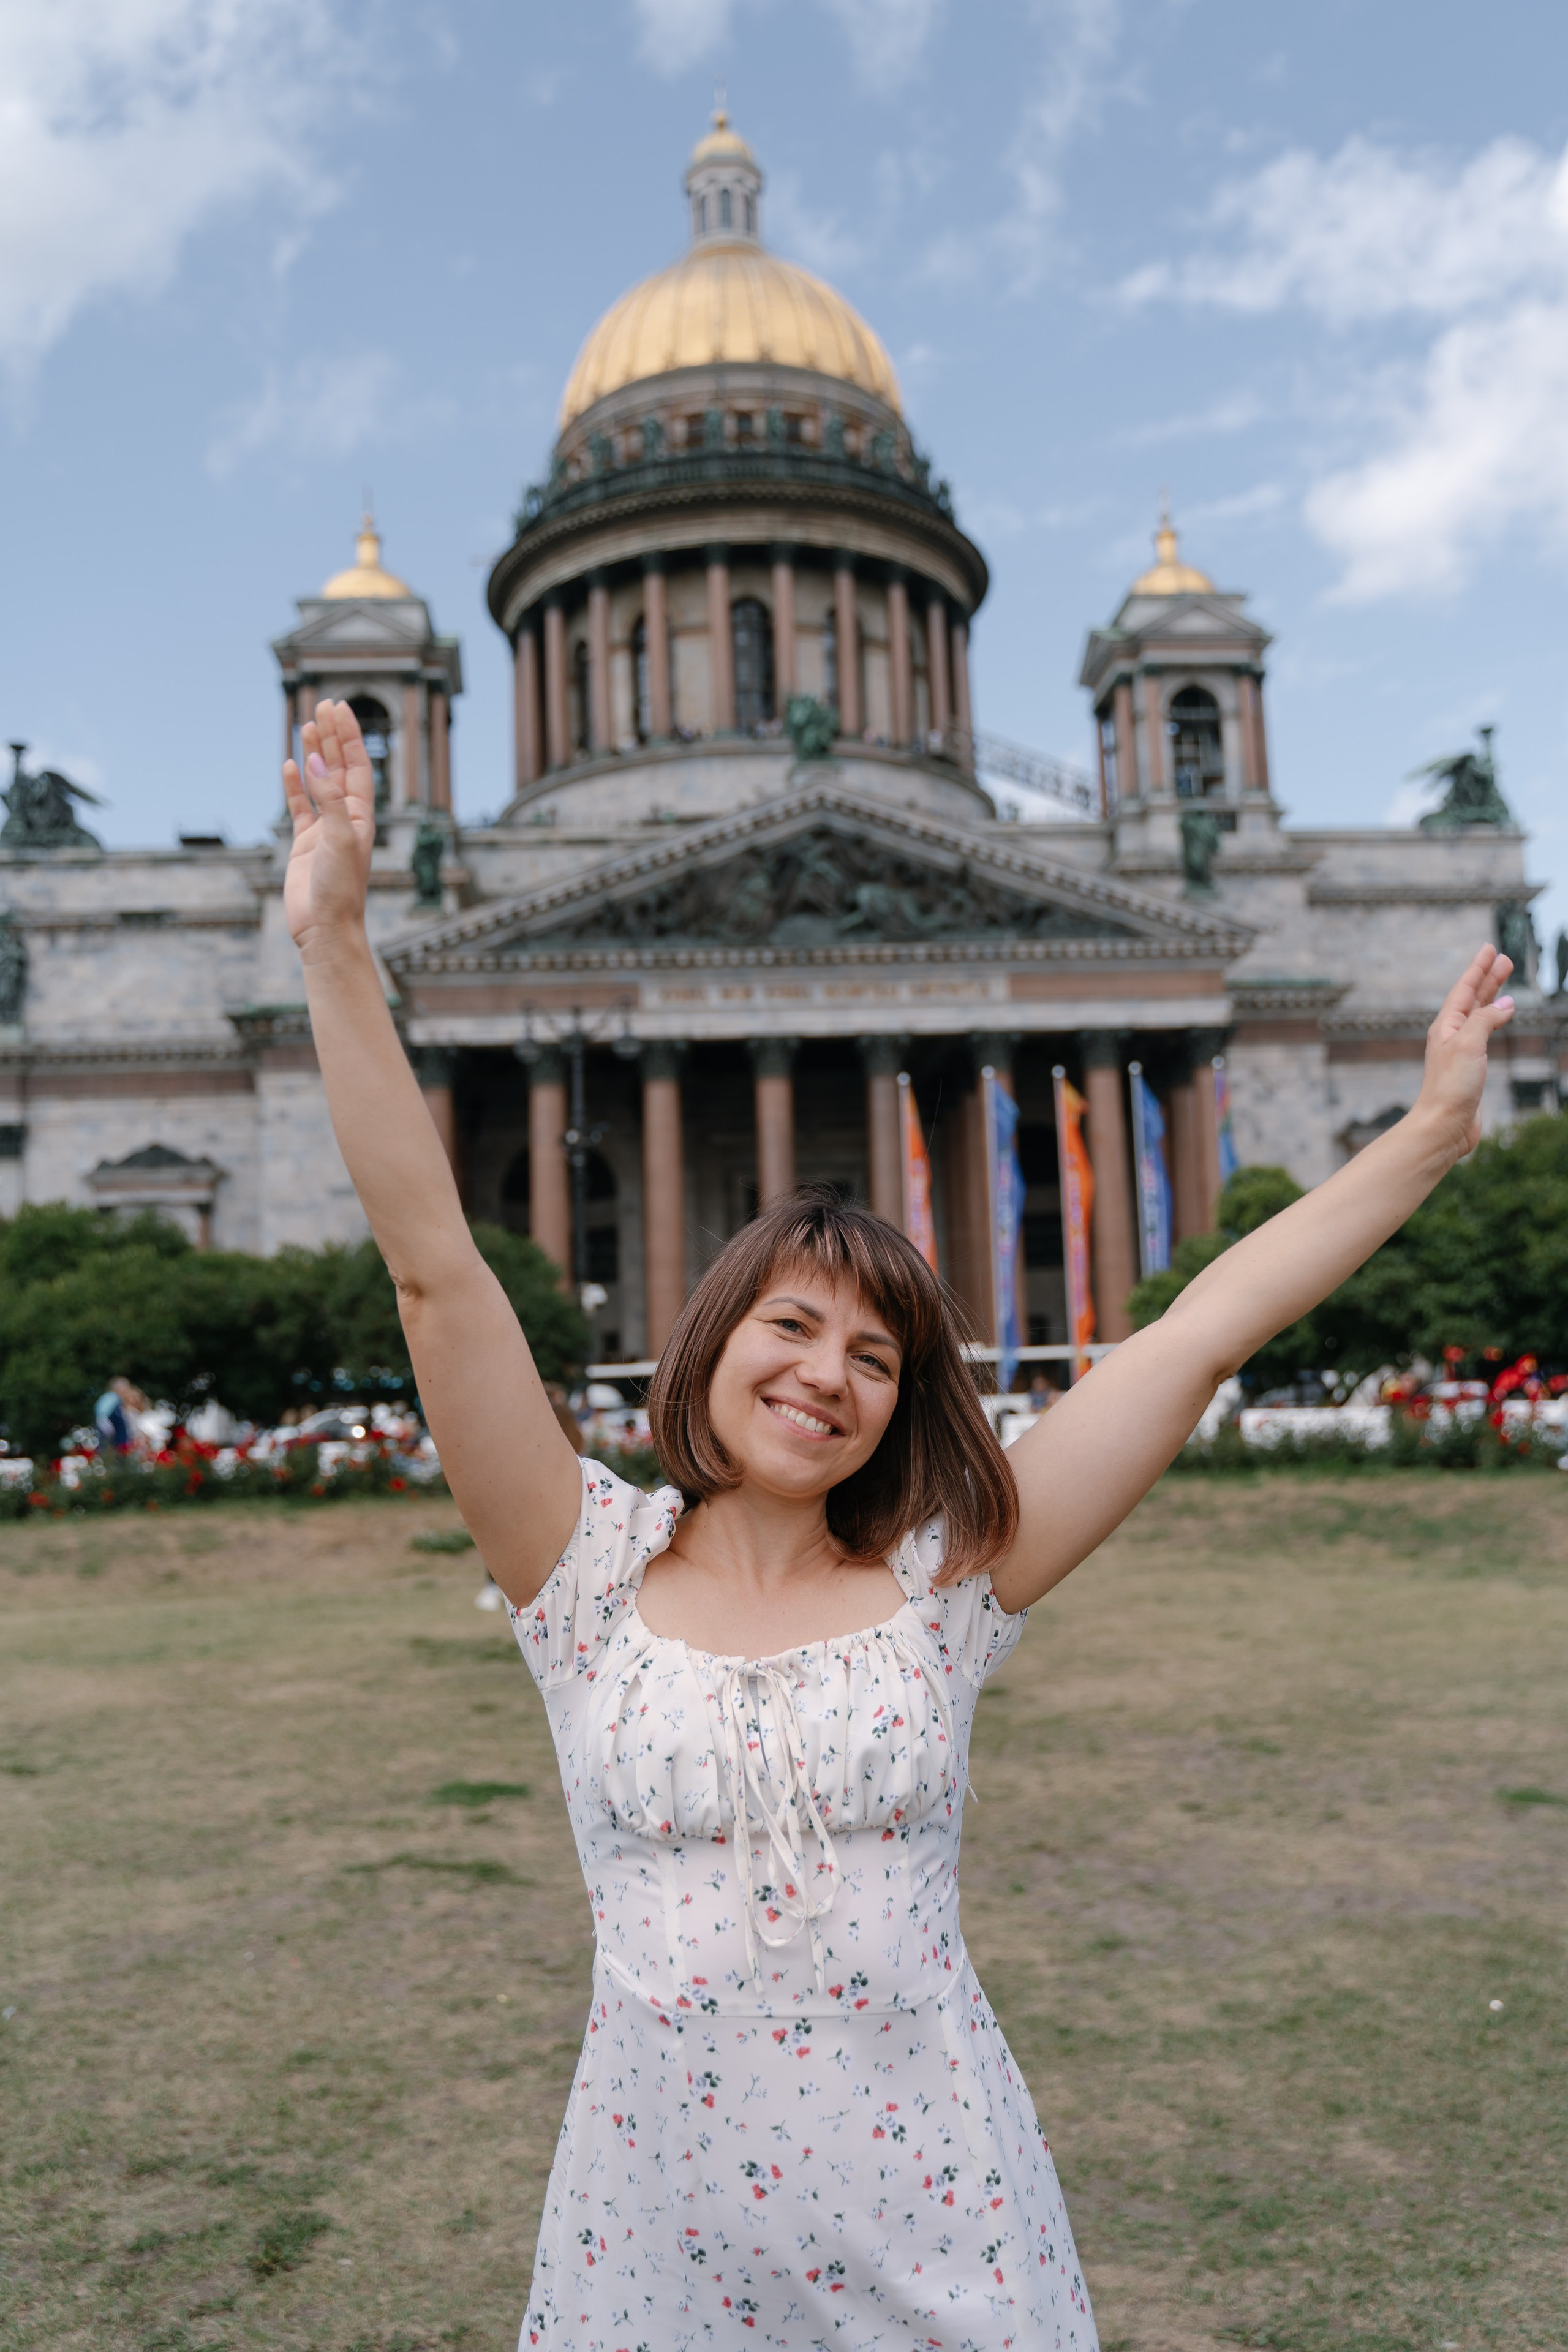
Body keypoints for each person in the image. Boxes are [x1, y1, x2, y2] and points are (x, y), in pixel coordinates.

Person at [284, 701, 1515, 2351]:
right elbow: (436, 1262)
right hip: (656, 2241)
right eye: (791, 1327)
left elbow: (1190, 1338)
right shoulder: (581, 1572)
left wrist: (1428, 1138)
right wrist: (338, 939)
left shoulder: (953, 1579)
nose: (826, 1376)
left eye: (876, 1353)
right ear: (712, 1340)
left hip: (945, 2227)